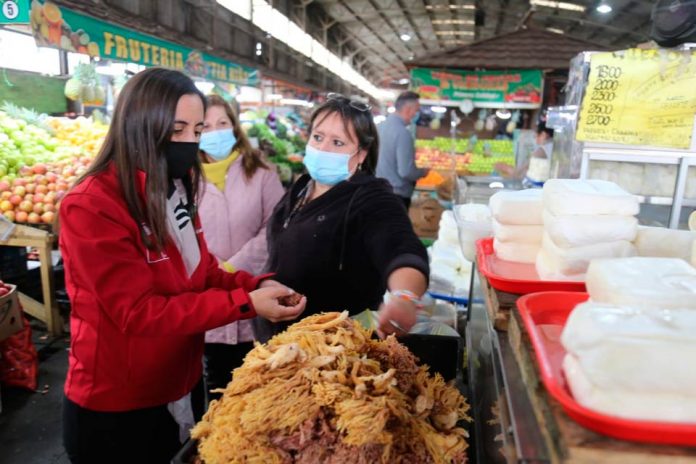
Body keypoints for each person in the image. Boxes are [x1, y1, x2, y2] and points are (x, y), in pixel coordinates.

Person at [58, 68, 305, 464]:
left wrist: (254, 284)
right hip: (120, 404)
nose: (190, 142)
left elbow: (201, 268)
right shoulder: (92, 205)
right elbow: (137, 312)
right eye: (178, 130)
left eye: (196, 129)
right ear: (141, 124)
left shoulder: (172, 186)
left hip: (181, 382)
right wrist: (245, 303)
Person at [256, 93, 429, 342]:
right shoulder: (302, 187)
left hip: (335, 353)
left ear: (360, 154)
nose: (322, 148)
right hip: (281, 347)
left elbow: (401, 247)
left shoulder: (371, 199)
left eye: (338, 143)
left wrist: (404, 297)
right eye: (318, 137)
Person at [197, 95, 284, 402]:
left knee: (259, 389)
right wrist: (208, 268)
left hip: (255, 291)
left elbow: (274, 226)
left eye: (222, 123)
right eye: (205, 125)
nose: (215, 131)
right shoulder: (181, 178)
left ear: (234, 127)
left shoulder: (261, 171)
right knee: (218, 391)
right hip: (206, 295)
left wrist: (232, 267)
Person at [376, 91, 428, 209]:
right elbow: (406, 172)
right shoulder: (403, 133)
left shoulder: (378, 128)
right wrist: (423, 172)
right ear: (408, 110)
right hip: (396, 196)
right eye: (416, 110)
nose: (417, 114)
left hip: (377, 192)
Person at [495, 122, 554, 187]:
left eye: (536, 135)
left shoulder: (541, 151)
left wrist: (505, 167)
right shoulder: (555, 147)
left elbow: (518, 173)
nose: (535, 138)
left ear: (543, 135)